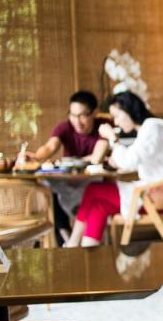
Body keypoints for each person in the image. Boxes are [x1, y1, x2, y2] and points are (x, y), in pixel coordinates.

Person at [64, 91, 163, 247]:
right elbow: (133, 157)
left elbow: (129, 161)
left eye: (117, 116)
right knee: (98, 207)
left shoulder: (152, 129)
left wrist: (112, 138)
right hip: (152, 192)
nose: (116, 123)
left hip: (156, 197)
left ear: (129, 111)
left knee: (93, 189)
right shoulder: (148, 130)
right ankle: (88, 258)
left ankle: (72, 244)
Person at [23, 91, 109, 243]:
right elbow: (50, 147)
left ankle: (76, 240)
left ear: (94, 113)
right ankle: (65, 238)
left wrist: (76, 161)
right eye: (73, 115)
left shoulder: (104, 127)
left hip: (95, 180)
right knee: (53, 190)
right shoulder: (65, 127)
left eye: (83, 115)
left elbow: (97, 157)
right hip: (69, 179)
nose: (77, 121)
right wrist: (36, 157)